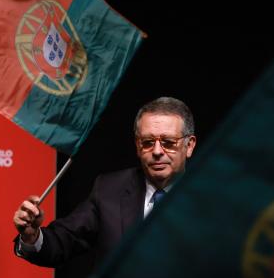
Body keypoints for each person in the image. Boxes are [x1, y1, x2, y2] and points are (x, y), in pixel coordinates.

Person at [12, 96, 196, 267]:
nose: (157, 151)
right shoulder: (110, 189)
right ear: (137, 146)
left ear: (189, 146)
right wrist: (31, 236)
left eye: (169, 142)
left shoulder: (215, 195)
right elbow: (64, 240)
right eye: (147, 142)